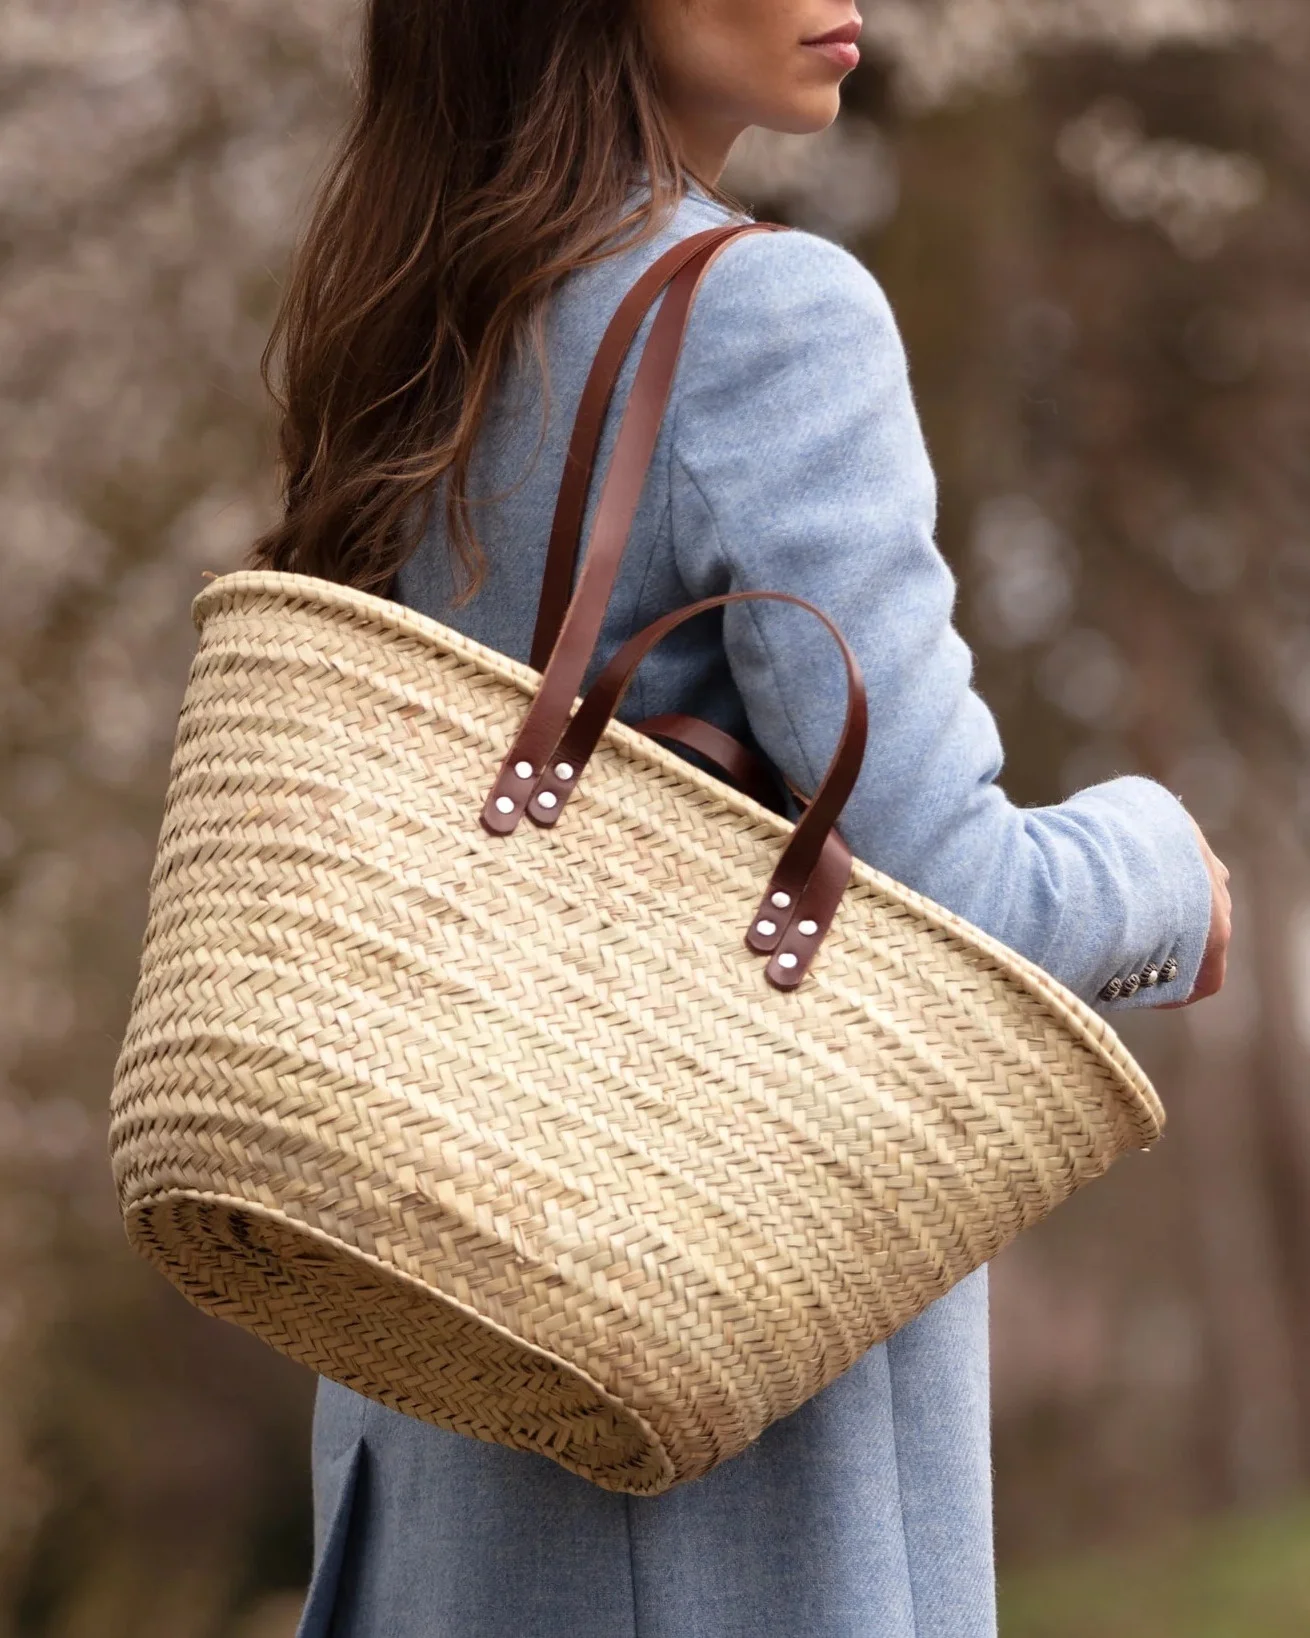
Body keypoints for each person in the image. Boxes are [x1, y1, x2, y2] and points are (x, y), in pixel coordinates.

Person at [256, 4, 1233, 1634]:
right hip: (704, 1497)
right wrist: (1163, 870)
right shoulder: (763, 316)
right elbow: (957, 902)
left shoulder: (405, 339)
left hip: (427, 1448)